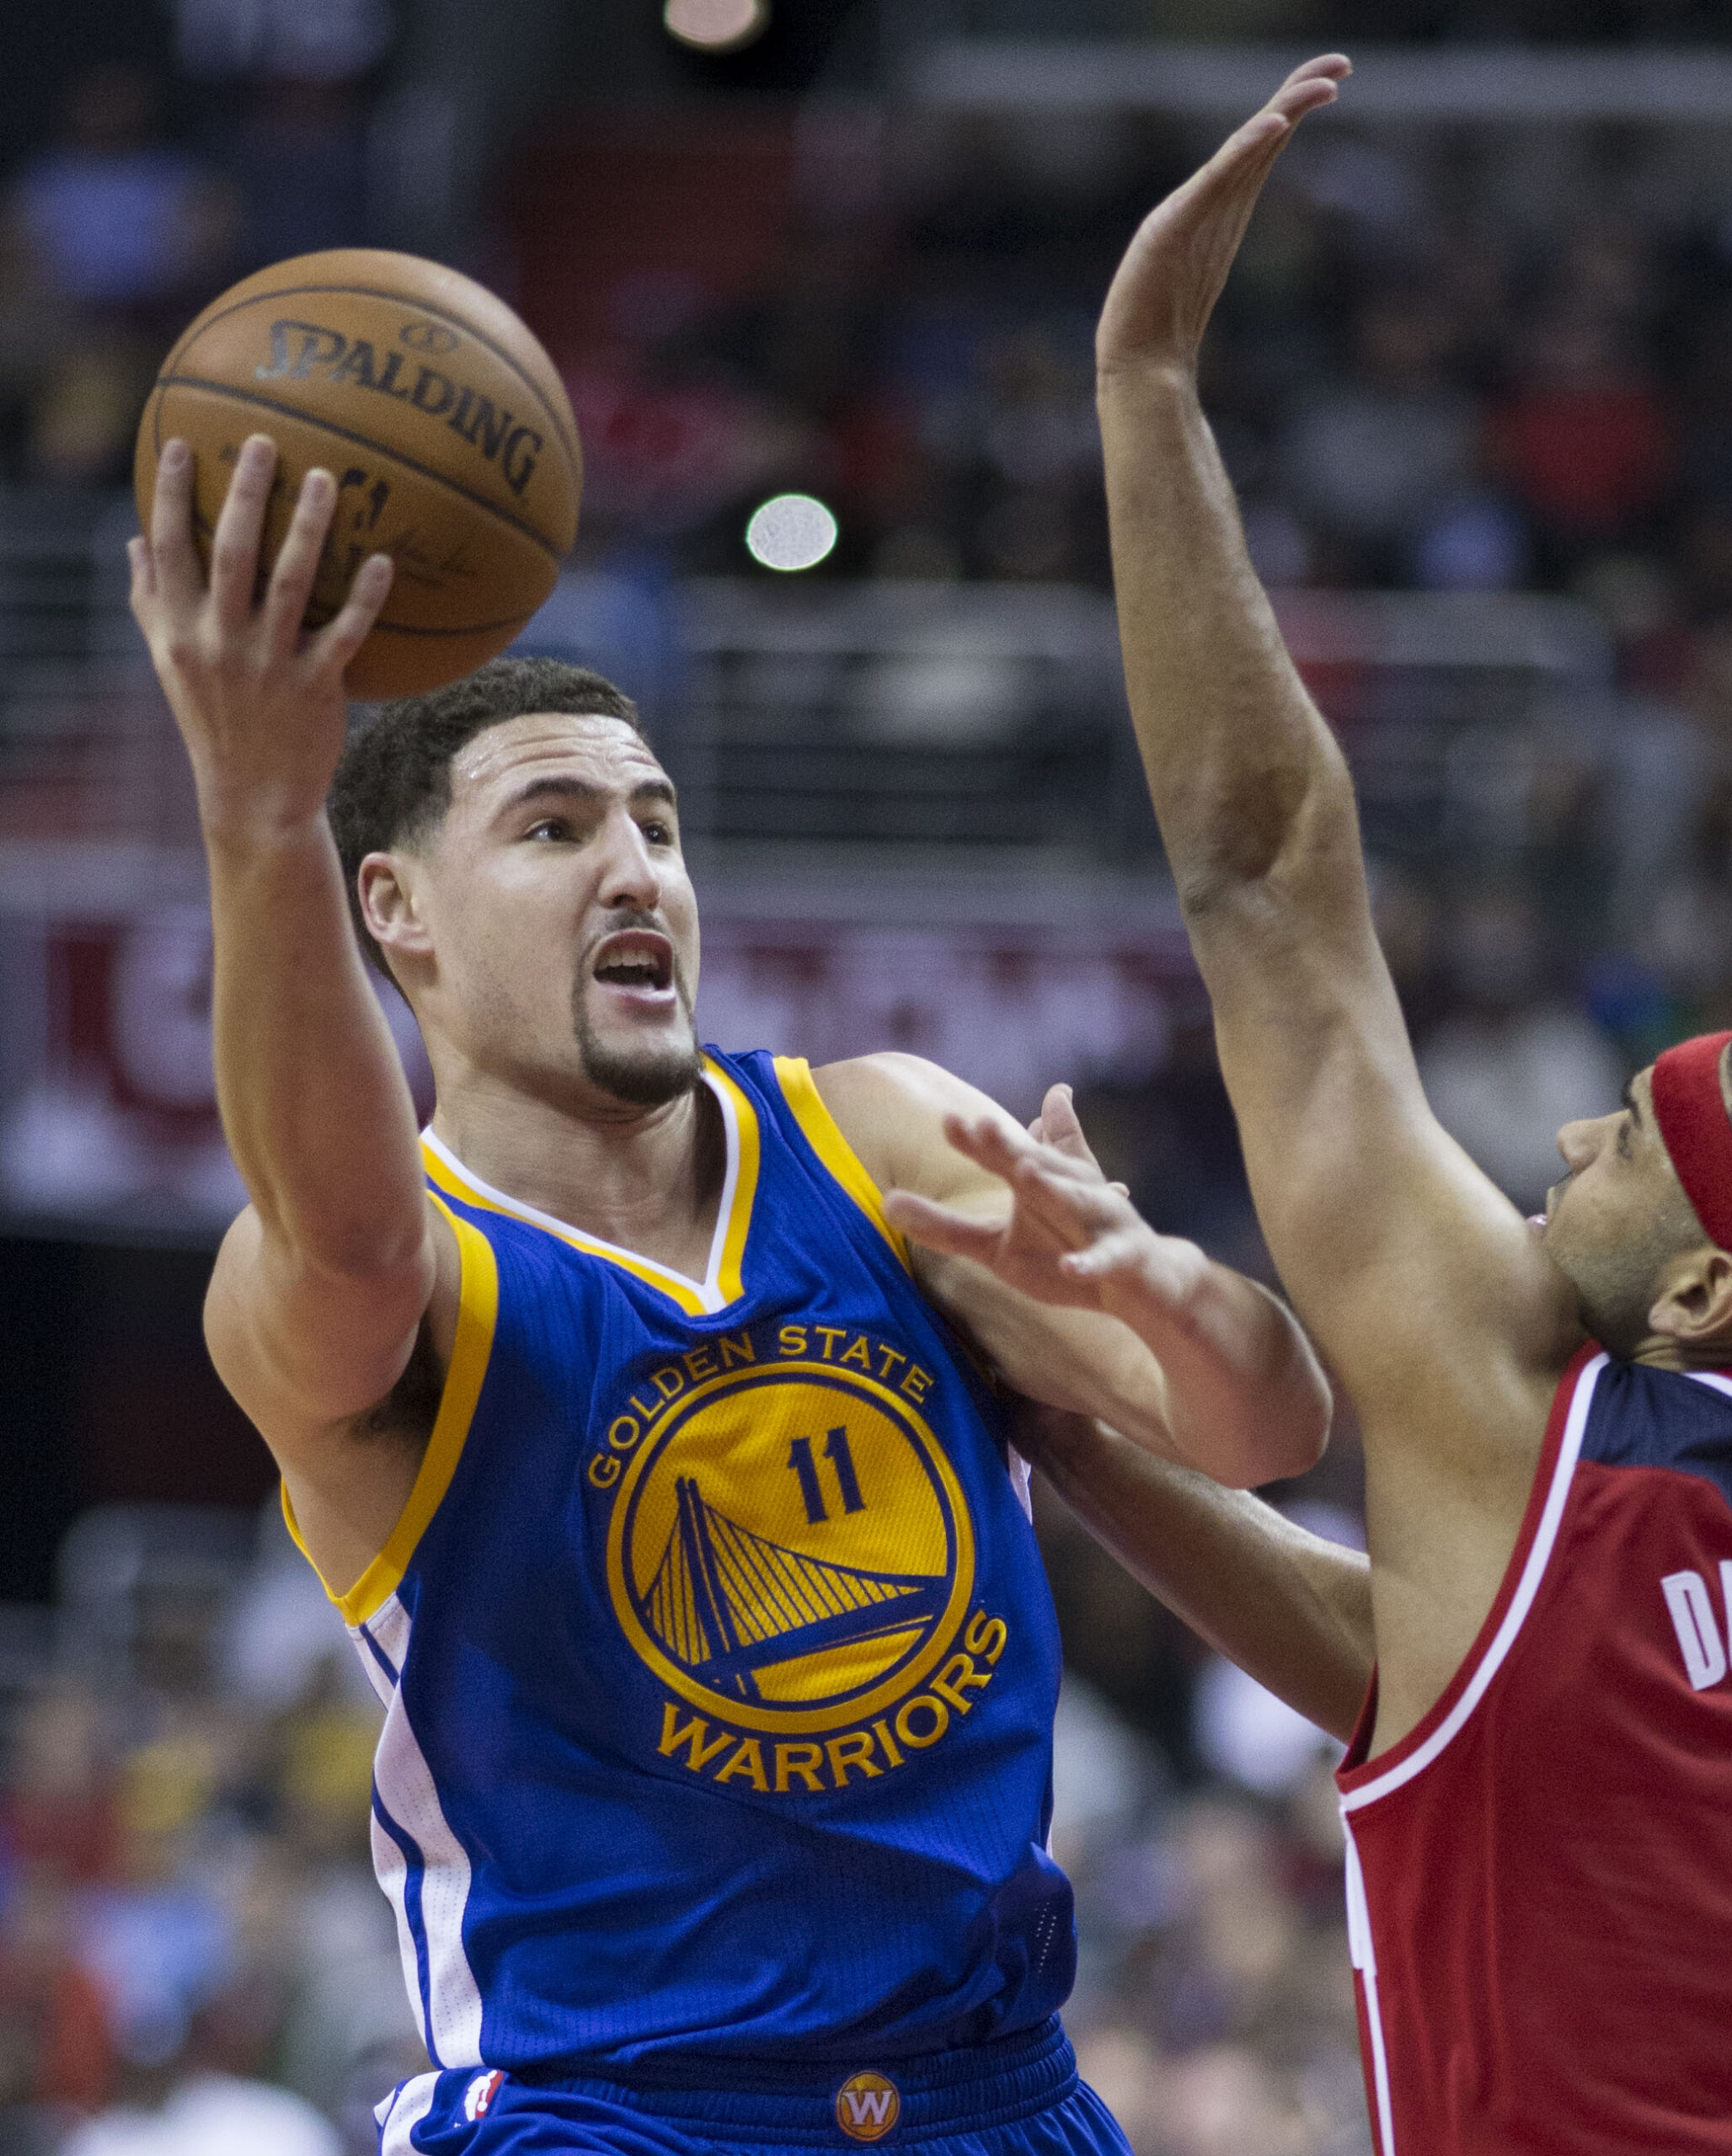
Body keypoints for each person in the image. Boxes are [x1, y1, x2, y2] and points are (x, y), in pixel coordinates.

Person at [126, 432, 1356, 2154]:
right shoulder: (361, 1278)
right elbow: (341, 1233)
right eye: (552, 827)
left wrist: (1155, 1289)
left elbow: (1262, 1425)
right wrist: (258, 816)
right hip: (612, 2111)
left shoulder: (878, 1133)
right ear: (389, 910)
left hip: (996, 2095)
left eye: (656, 823)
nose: (636, 870)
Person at [890, 56, 1732, 2154]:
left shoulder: (1540, 1425)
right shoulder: (1530, 1518)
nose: (1560, 1141)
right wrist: (1054, 1422)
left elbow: (1264, 884)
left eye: (1623, 1136)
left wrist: (1148, 392)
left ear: (1705, 1294)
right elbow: (1421, 1659)